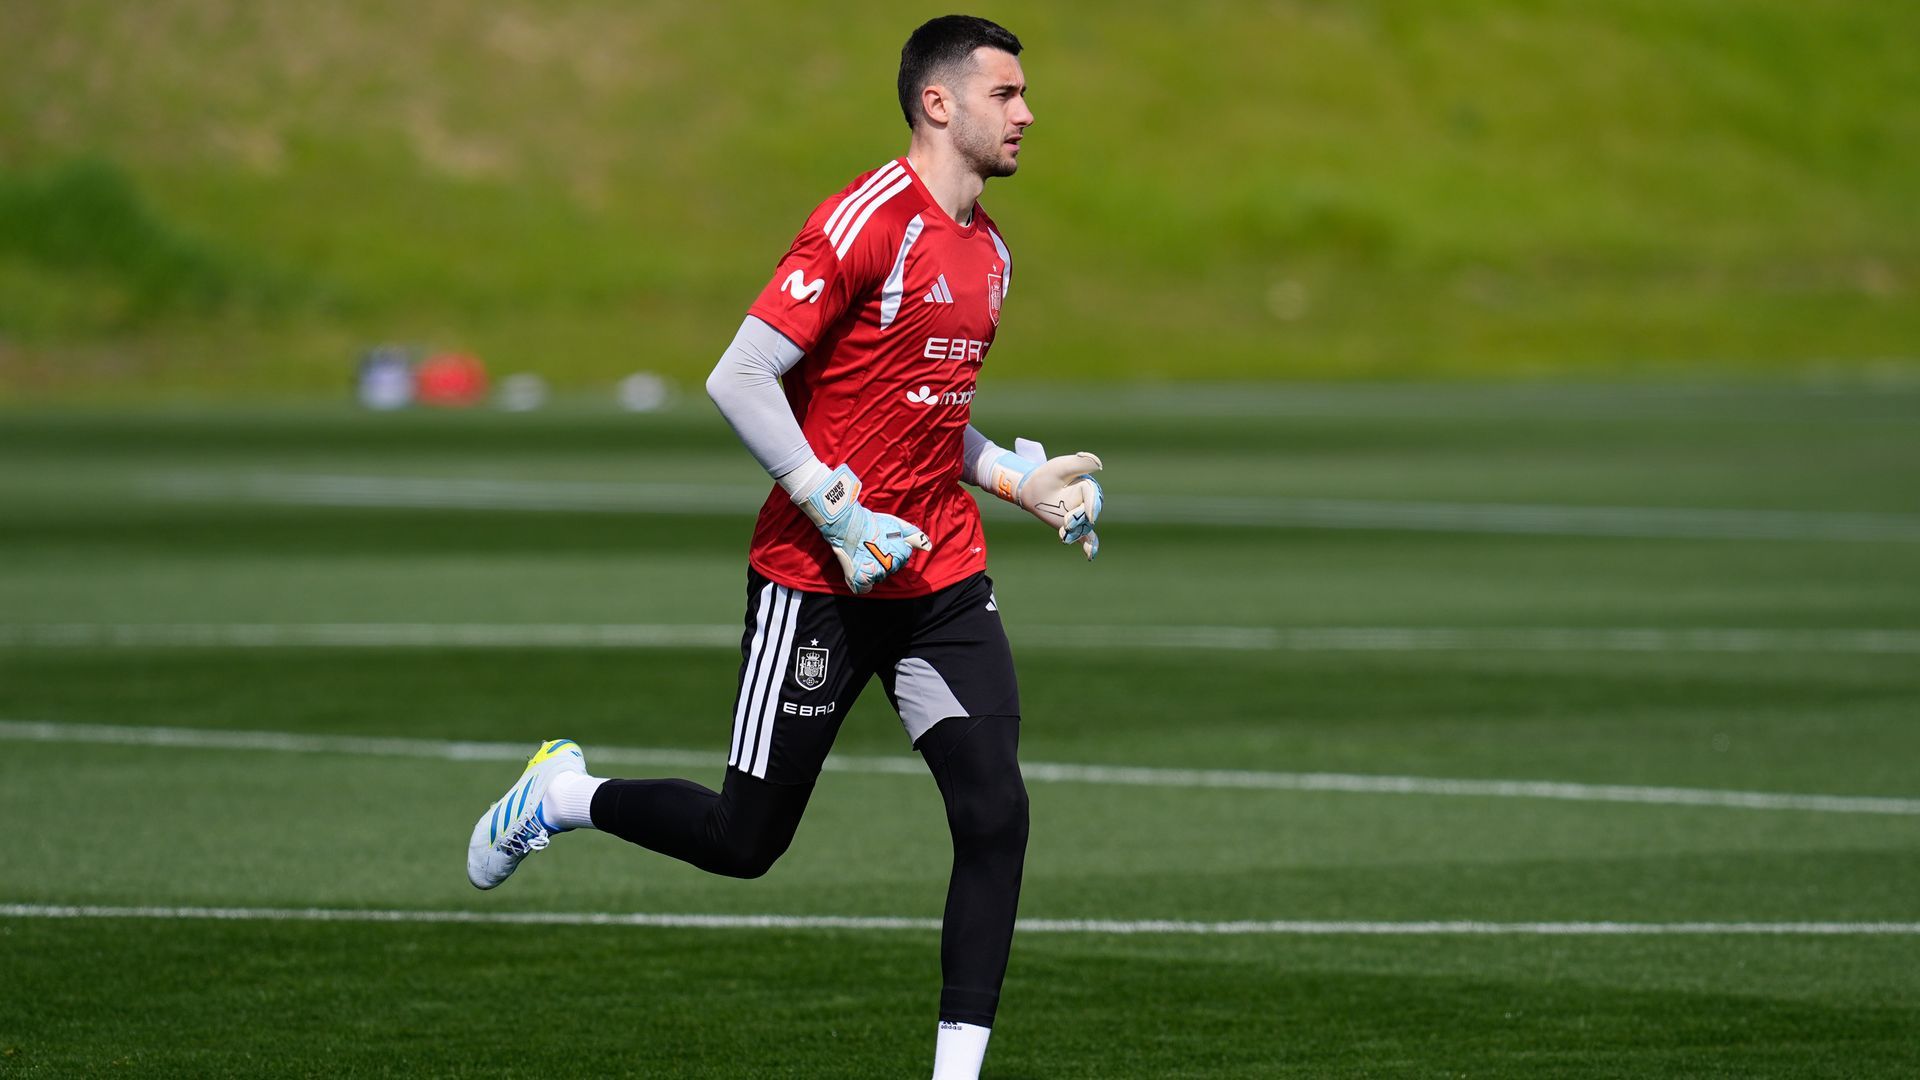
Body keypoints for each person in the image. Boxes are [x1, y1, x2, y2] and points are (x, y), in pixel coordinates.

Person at [465, 15, 1103, 1079]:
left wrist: (1014, 480)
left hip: (939, 579)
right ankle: (563, 797)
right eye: (1007, 93)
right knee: (745, 842)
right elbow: (741, 377)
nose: (1028, 113)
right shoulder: (864, 223)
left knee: (996, 812)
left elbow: (925, 413)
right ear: (938, 103)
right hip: (817, 580)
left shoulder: (989, 253)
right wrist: (831, 508)